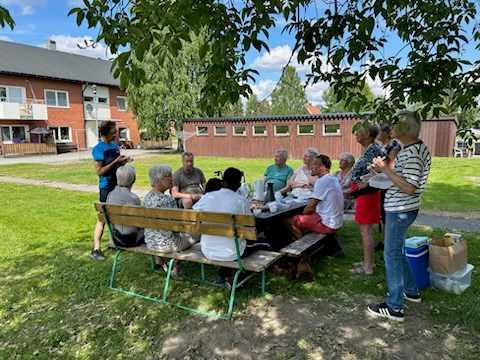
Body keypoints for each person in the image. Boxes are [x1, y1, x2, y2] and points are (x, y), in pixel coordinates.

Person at [367, 110, 431, 322]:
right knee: (398, 251)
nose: (390, 128)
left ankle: (394, 306)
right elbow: (402, 179)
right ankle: (411, 291)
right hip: (402, 207)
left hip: (401, 209)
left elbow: (409, 187)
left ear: (405, 127)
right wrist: (382, 172)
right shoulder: (412, 148)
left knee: (391, 254)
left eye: (395, 124)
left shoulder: (412, 153)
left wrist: (385, 169)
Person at [193, 167, 268, 288]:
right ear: (239, 185)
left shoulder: (208, 197)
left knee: (232, 240)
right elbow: (250, 224)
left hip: (207, 249)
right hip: (233, 253)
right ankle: (238, 280)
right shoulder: (241, 201)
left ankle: (223, 275)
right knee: (264, 243)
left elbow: (194, 211)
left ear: (222, 182)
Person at [144, 164, 200, 279]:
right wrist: (188, 211)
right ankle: (174, 264)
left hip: (151, 242)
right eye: (168, 176)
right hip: (169, 245)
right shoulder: (166, 200)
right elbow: (180, 225)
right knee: (198, 232)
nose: (172, 178)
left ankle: (160, 261)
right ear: (158, 180)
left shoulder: (147, 197)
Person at [90, 120, 129, 261]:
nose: (115, 136)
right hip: (106, 186)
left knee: (116, 216)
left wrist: (123, 161)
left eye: (116, 133)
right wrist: (115, 162)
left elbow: (116, 164)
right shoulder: (98, 149)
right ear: (105, 133)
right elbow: (99, 171)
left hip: (117, 185)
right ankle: (96, 249)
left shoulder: (114, 146)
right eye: (113, 133)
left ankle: (114, 242)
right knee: (103, 218)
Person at [348, 122, 383, 275]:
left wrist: (366, 183)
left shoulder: (374, 149)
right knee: (366, 230)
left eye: (359, 131)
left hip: (367, 194)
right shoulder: (369, 149)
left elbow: (382, 169)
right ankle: (370, 262)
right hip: (363, 194)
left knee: (365, 231)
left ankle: (367, 268)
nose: (356, 133)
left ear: (367, 134)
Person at [283, 154, 344, 239]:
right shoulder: (333, 179)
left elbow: (310, 208)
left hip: (327, 224)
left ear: (322, 167)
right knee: (301, 217)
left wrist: (302, 216)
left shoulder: (322, 181)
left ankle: (301, 245)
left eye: (314, 164)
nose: (311, 166)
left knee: (287, 219)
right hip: (336, 221)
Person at [376, 123, 402, 250]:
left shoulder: (394, 145)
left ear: (386, 133)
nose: (378, 134)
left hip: (390, 184)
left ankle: (390, 244)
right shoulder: (381, 146)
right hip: (380, 183)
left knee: (388, 215)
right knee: (382, 214)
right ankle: (385, 241)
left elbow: (390, 165)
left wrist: (380, 167)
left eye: (380, 131)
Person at [106, 165, 144, 247]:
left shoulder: (111, 195)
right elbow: (141, 221)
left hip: (116, 237)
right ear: (133, 180)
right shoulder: (133, 198)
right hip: (131, 239)